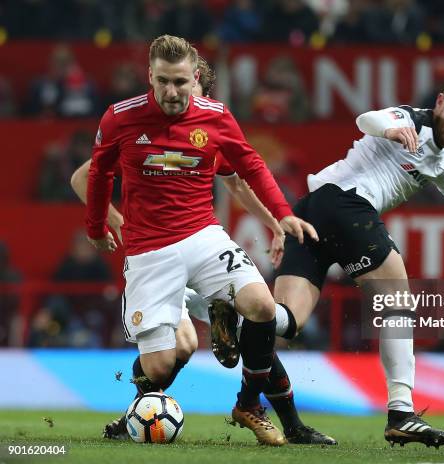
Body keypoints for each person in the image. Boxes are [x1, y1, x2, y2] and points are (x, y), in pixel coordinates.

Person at [270, 71, 444, 447]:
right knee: (398, 301)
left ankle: (230, 307)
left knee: (287, 321)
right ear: (441, 100)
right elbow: (366, 120)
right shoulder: (412, 120)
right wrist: (389, 130)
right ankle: (401, 413)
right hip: (344, 202)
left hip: (311, 210)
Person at [73, 54, 336, 445]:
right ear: (152, 79)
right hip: (153, 254)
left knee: (258, 313)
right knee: (177, 353)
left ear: (198, 85)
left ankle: (267, 410)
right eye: (167, 83)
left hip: (201, 243)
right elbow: (86, 177)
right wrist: (111, 221)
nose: (177, 95)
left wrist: (277, 219)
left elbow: (242, 179)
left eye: (186, 86)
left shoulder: (212, 126)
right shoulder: (127, 123)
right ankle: (145, 405)